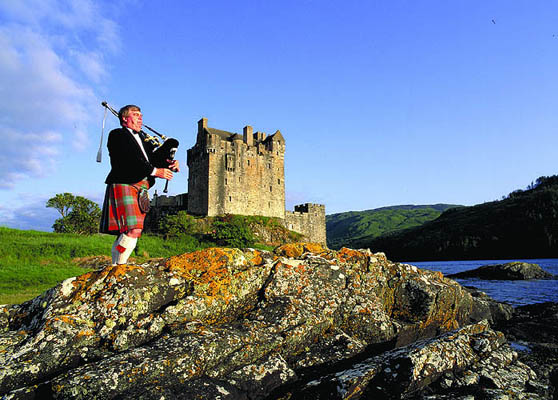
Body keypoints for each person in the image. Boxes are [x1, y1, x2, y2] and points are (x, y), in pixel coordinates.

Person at [100, 104, 179, 265]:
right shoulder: (117, 135)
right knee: (133, 229)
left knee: (132, 231)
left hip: (141, 187)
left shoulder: (143, 140)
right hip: (124, 183)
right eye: (136, 114)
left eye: (141, 115)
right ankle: (119, 266)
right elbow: (128, 159)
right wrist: (156, 172)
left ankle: (116, 265)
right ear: (124, 118)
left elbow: (152, 160)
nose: (140, 117)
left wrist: (169, 163)